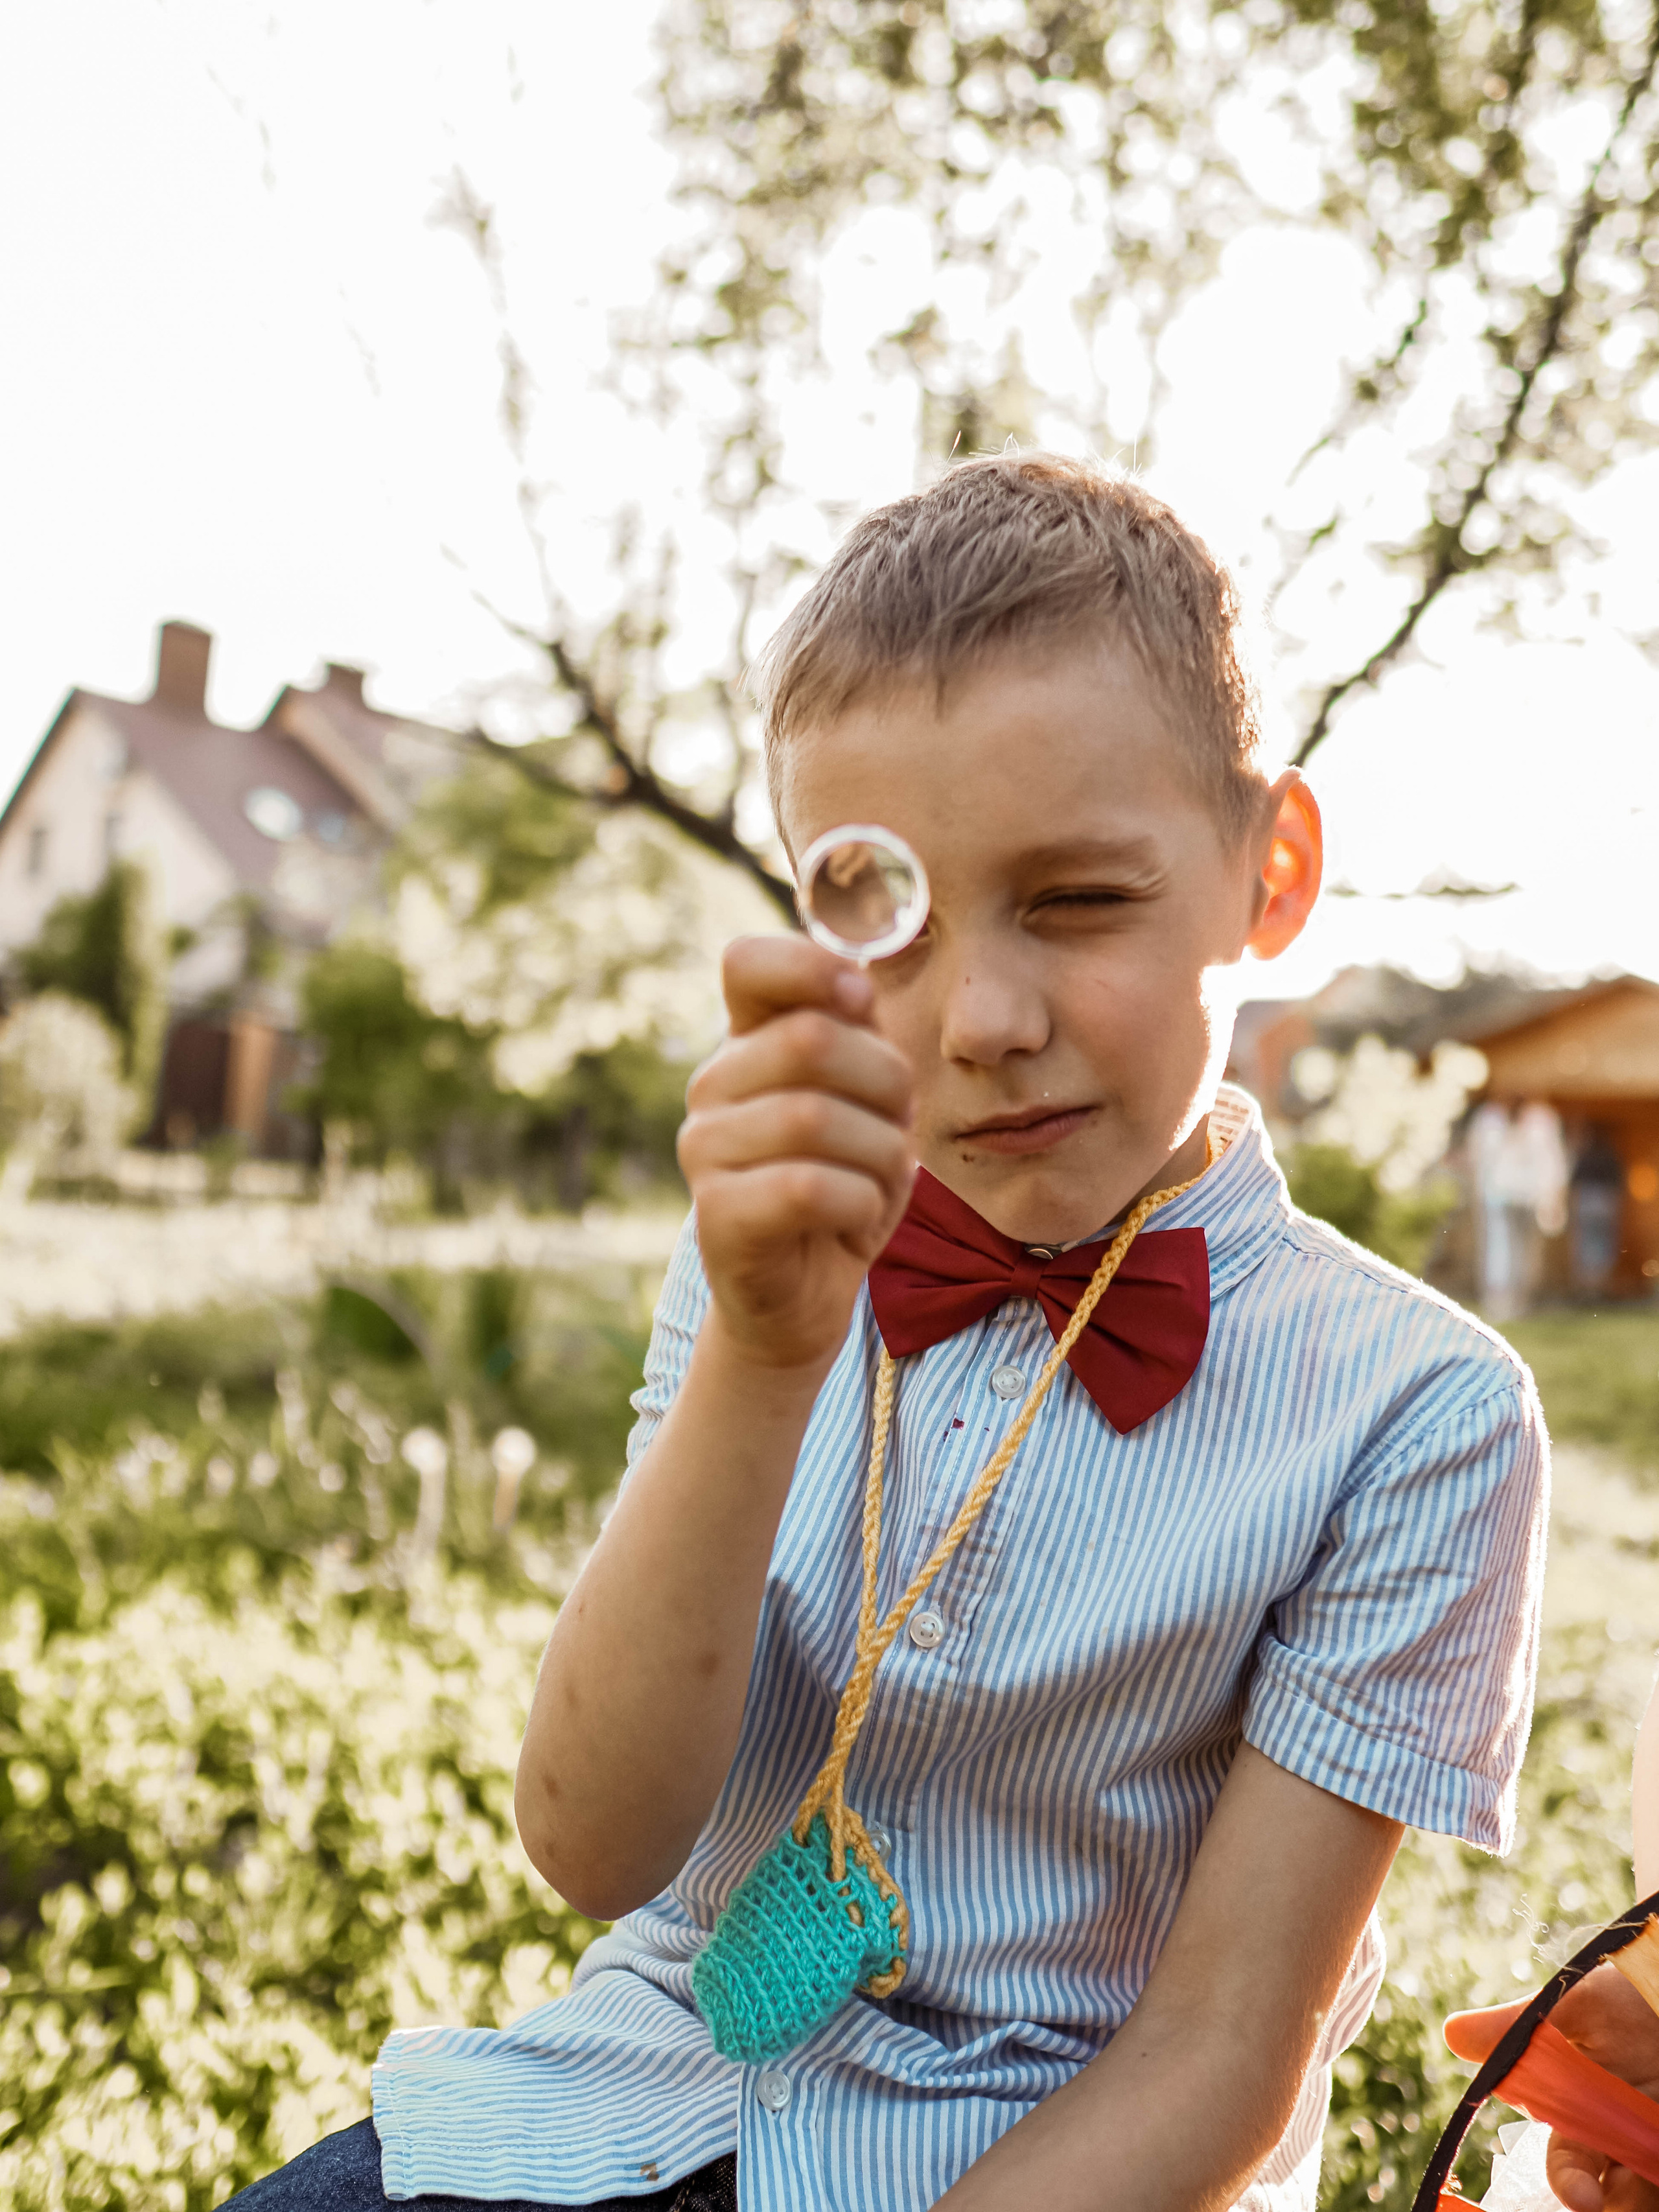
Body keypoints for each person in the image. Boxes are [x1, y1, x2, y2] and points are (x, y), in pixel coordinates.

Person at [233, 454, 1548, 2211]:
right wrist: (764, 1364)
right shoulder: (771, 1270)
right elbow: (592, 1838)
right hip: (612, 2114)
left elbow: (1225, 2056)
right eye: (891, 921)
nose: (986, 1021)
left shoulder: (1418, 1415)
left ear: (1272, 871)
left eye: (1080, 902)